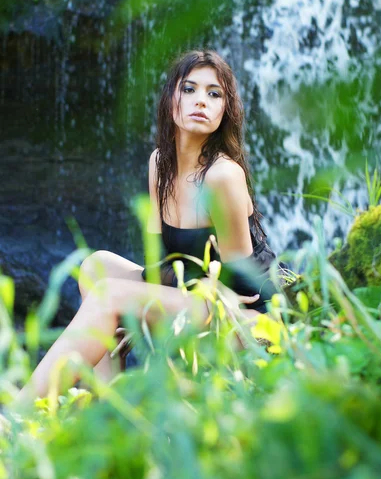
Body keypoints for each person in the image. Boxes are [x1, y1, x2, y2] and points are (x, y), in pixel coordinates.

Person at [15, 49, 286, 405]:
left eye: (213, 93)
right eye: (189, 89)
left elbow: (242, 286)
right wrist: (140, 308)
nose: (200, 101)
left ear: (225, 111)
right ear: (170, 100)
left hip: (250, 317)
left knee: (111, 296)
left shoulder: (223, 176)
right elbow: (159, 266)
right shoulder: (160, 163)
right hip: (199, 296)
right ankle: (112, 412)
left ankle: (16, 420)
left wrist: (140, 304)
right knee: (98, 268)